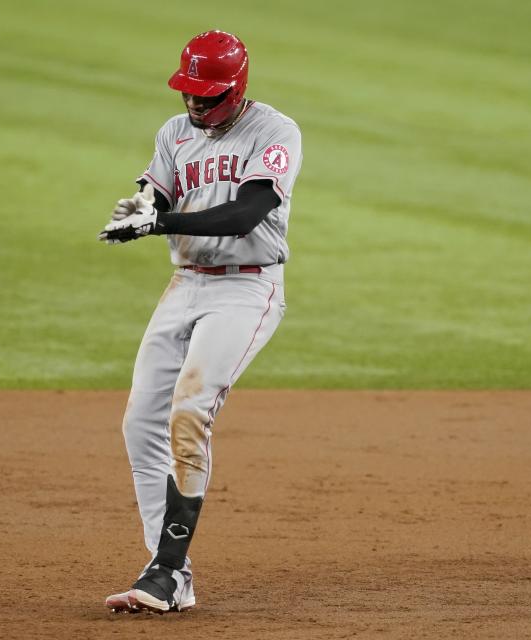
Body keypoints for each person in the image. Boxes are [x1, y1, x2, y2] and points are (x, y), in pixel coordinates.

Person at [97, 30, 302, 613]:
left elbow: (247, 213)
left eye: (207, 97)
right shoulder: (174, 132)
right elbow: (152, 195)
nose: (196, 105)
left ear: (237, 89)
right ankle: (170, 571)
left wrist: (158, 226)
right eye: (190, 93)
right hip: (185, 285)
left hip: (247, 286)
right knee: (141, 423)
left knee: (190, 412)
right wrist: (134, 213)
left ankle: (163, 570)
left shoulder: (274, 132)